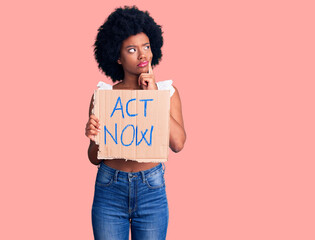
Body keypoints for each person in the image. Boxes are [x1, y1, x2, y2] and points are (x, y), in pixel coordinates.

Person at [85, 5, 186, 240]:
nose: (142, 55)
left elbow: (178, 143)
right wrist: (93, 135)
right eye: (131, 49)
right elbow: (94, 157)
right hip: (109, 188)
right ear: (117, 57)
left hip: (151, 189)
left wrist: (152, 97)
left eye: (146, 47)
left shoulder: (166, 92)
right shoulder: (104, 96)